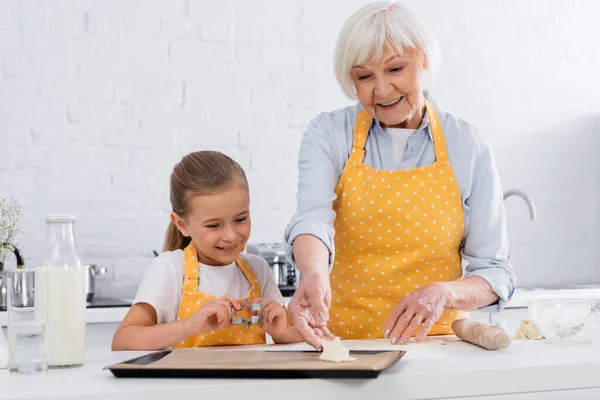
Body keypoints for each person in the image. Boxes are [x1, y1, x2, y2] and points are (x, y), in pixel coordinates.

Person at [284, 1, 516, 349]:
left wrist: (443, 292)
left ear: (424, 60)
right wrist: (313, 272)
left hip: (440, 348)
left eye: (396, 69)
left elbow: (495, 273)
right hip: (345, 346)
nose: (382, 90)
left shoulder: (467, 144)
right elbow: (313, 219)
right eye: (365, 76)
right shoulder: (328, 133)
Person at [112, 151, 304, 350]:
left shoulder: (258, 268)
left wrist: (282, 332)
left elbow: (293, 332)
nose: (230, 235)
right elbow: (123, 339)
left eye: (240, 219)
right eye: (213, 225)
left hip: (250, 381)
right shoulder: (171, 268)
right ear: (182, 225)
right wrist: (188, 326)